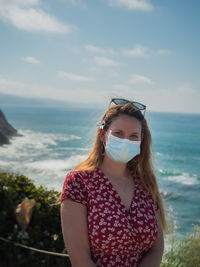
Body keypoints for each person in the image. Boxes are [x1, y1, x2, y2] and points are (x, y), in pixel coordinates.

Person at [60, 98, 166, 267]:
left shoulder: (145, 184)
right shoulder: (78, 182)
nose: (125, 141)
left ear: (141, 140)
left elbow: (157, 248)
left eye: (133, 136)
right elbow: (80, 259)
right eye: (118, 133)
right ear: (103, 135)